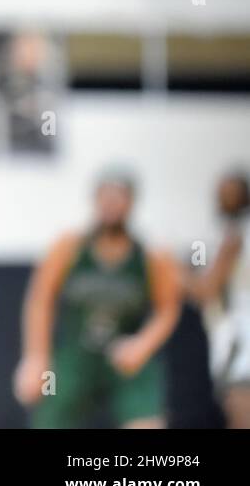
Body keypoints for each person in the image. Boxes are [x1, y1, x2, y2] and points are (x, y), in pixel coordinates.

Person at [15, 173, 181, 428]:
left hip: (126, 357)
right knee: (47, 415)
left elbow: (168, 309)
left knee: (147, 423)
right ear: (95, 200)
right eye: (106, 196)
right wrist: (35, 358)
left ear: (131, 202)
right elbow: (40, 302)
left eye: (119, 196)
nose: (112, 203)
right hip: (77, 354)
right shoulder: (68, 246)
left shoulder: (151, 255)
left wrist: (142, 345)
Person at [187, 170, 250, 428]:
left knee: (239, 405)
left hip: (239, 336)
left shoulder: (234, 236)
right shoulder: (221, 233)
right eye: (222, 194)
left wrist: (173, 274)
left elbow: (207, 290)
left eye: (232, 194)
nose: (225, 199)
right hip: (231, 332)